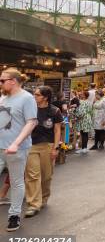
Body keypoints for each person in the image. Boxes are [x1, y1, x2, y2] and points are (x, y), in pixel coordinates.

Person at [0, 68, 38, 231]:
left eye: (2, 80)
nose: (0, 83)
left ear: (13, 81)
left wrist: (16, 143)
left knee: (16, 182)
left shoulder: (27, 98)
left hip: (17, 149)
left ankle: (14, 215)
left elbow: (31, 122)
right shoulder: (3, 97)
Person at [24, 86, 63, 218]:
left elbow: (57, 130)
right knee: (32, 176)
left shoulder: (55, 111)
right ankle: (33, 204)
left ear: (45, 97)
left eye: (37, 95)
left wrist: (56, 148)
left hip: (48, 145)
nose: (34, 97)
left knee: (46, 176)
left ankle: (44, 197)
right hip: (31, 145)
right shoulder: (30, 109)